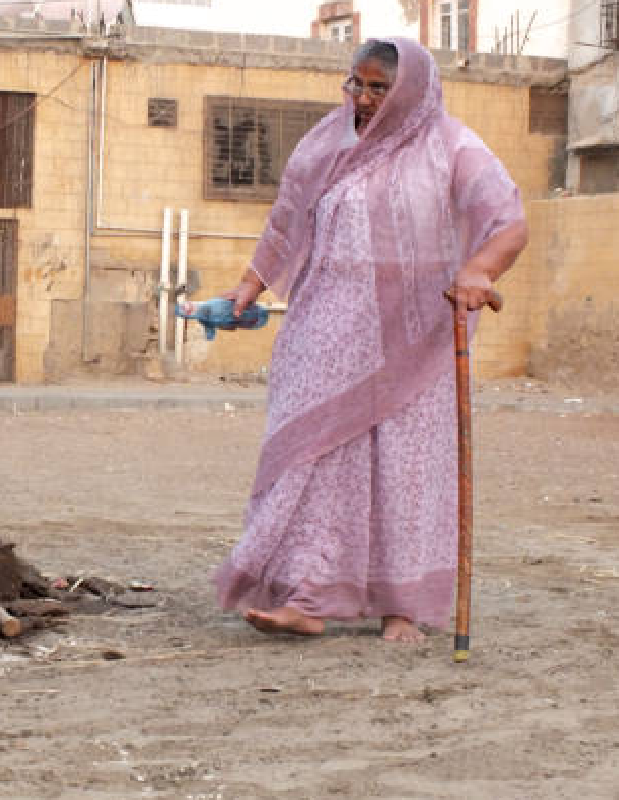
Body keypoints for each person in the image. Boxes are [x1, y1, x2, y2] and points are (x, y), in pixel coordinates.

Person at [212, 38, 528, 643]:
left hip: (415, 335)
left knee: (404, 469)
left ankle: (401, 608)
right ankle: (306, 598)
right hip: (325, 328)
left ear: (409, 90)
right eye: (354, 83)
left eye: (377, 87)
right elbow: (285, 220)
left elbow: (508, 221)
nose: (360, 97)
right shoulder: (327, 142)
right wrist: (248, 286)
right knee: (313, 462)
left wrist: (480, 268)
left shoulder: (453, 147)